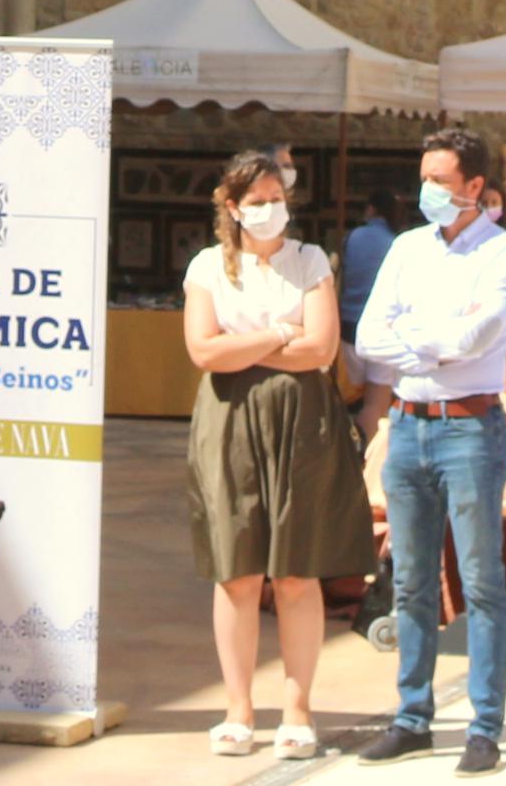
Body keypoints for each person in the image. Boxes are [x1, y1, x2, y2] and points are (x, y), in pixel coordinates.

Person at [353, 128, 506, 772]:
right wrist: (435, 345)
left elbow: (480, 335)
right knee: (410, 581)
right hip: (408, 423)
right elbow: (372, 335)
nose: (427, 190)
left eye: (440, 180)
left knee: (482, 581)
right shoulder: (406, 248)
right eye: (424, 177)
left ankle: (484, 725)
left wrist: (424, 339)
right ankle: (412, 715)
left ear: (475, 187)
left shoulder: (504, 253)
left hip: (470, 429)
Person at [181, 146, 369, 758]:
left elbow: (320, 350)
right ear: (232, 208)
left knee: (295, 570)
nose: (270, 211)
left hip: (301, 418)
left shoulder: (310, 260)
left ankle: (297, 708)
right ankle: (237, 709)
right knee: (236, 570)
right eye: (257, 202)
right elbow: (204, 352)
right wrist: (277, 333)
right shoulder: (208, 267)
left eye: (277, 200)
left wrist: (244, 345)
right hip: (229, 418)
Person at [341, 191, 397, 376]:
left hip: (349, 324)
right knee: (380, 394)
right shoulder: (397, 242)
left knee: (350, 395)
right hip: (384, 329)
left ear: (371, 209)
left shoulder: (352, 236)